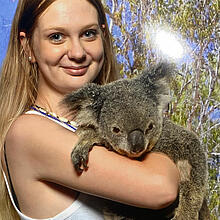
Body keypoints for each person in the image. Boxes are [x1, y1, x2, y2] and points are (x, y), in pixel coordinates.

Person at [0, 0, 180, 219]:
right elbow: (161, 188)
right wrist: (153, 126)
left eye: (88, 34)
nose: (77, 52)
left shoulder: (98, 125)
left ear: (103, 36)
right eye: (56, 36)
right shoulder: (28, 132)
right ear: (27, 46)